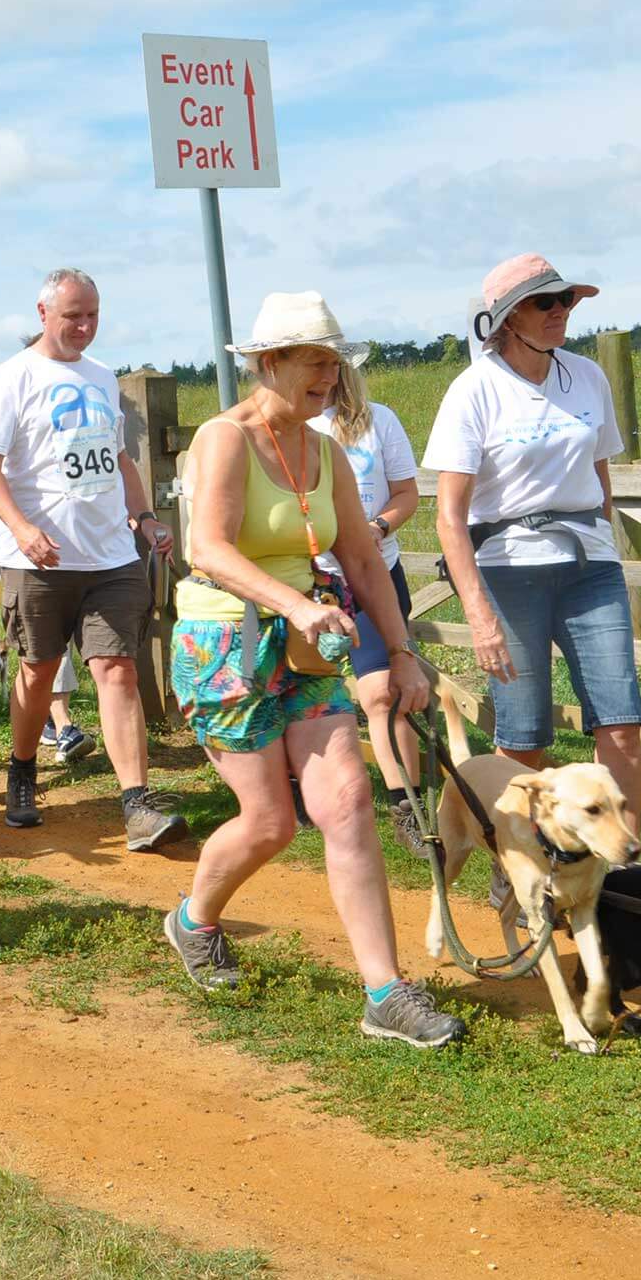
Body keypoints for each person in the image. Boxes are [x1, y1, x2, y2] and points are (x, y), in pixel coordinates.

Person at [165, 292, 464, 1048]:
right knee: (267, 822)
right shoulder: (224, 439)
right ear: (270, 364)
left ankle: (384, 993)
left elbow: (361, 555)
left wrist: (401, 652)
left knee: (348, 798)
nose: (331, 377)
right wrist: (295, 607)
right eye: (316, 363)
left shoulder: (326, 449)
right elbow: (209, 549)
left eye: (336, 363)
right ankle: (193, 920)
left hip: (307, 644)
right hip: (226, 643)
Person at [429, 254, 641, 825]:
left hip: (590, 568)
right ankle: (519, 872)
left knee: (620, 724)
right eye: (544, 302)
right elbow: (449, 516)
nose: (561, 311)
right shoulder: (473, 391)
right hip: (508, 570)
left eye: (566, 300)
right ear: (507, 318)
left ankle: (622, 880)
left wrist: (604, 539)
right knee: (523, 735)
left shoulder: (587, 376)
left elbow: (601, 475)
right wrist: (479, 615)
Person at [0, 269, 183, 844]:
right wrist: (20, 526)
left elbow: (120, 459)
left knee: (117, 668)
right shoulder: (11, 379)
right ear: (43, 313)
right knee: (38, 671)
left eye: (92, 315)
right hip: (36, 558)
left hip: (110, 555)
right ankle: (22, 770)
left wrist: (142, 519)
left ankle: (137, 802)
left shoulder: (102, 377)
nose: (84, 326)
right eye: (73, 316)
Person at [311, 357, 424, 844]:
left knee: (384, 691)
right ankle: (296, 790)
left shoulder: (380, 420)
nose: (326, 375)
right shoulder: (288, 428)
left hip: (375, 570)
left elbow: (406, 493)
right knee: (301, 688)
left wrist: (376, 528)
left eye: (333, 365)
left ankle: (408, 807)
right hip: (307, 576)